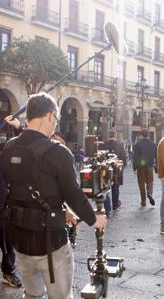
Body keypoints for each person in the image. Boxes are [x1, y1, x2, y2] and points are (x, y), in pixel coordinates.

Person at [0, 93, 107, 299]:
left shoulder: (8, 148)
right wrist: (95, 220)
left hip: (19, 241)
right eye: (56, 120)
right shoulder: (59, 152)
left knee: (32, 295)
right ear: (49, 116)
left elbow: (24, 186)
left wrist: (63, 209)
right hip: (51, 244)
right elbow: (74, 195)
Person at [0, 116, 22, 288]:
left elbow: (20, 147)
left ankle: (8, 272)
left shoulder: (4, 153)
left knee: (8, 244)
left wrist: (18, 127)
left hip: (3, 207)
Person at [100, 129, 126, 214]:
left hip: (105, 170)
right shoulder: (119, 145)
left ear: (108, 135)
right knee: (115, 187)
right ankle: (115, 205)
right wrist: (122, 168)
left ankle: (107, 208)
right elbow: (123, 158)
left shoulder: (103, 145)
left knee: (105, 188)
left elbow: (100, 158)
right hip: (116, 170)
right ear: (115, 135)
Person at [133, 129, 157, 207]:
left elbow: (135, 157)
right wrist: (156, 165)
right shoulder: (153, 144)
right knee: (150, 182)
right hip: (150, 166)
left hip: (141, 167)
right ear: (148, 135)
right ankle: (149, 193)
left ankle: (143, 201)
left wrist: (134, 168)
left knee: (141, 184)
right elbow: (156, 156)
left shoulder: (137, 144)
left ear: (141, 135)